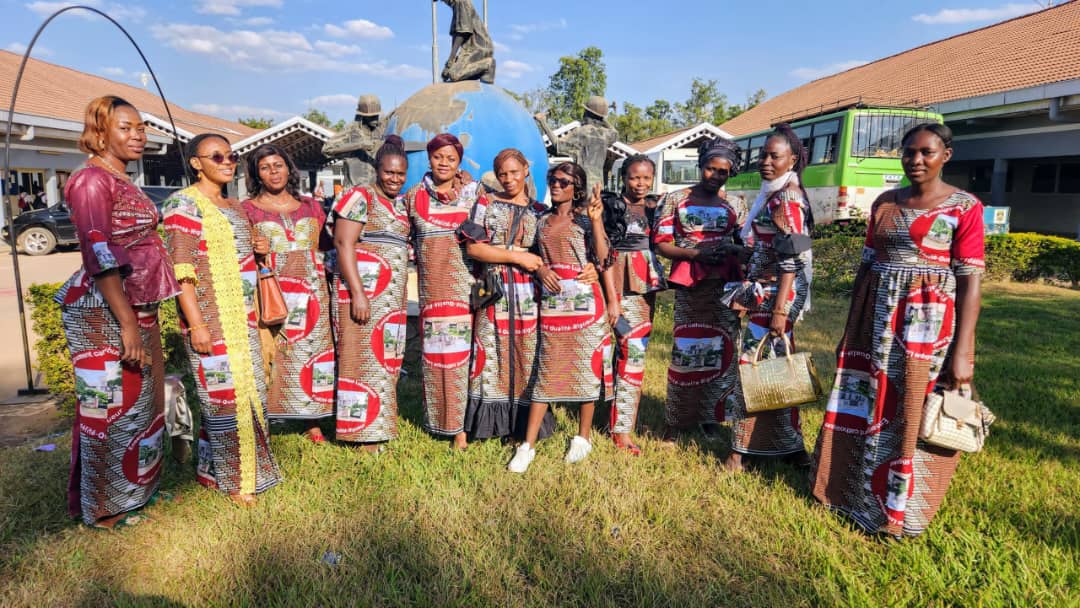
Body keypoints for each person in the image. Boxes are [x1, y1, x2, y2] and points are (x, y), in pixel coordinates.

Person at [811, 123, 985, 537]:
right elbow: (868, 264)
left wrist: (964, 350)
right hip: (875, 317)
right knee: (869, 400)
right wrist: (851, 328)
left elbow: (971, 279)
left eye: (927, 152)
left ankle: (898, 511)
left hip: (925, 327)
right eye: (909, 152)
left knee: (910, 407)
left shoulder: (964, 207)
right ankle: (849, 494)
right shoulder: (885, 202)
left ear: (946, 155)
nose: (916, 160)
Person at [57, 95, 180, 528]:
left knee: (140, 406)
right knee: (107, 411)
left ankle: (135, 491)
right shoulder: (91, 181)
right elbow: (99, 251)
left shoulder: (119, 177)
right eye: (125, 128)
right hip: (107, 313)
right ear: (100, 131)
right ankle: (103, 507)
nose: (137, 135)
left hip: (136, 308)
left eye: (140, 128)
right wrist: (127, 323)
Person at [164, 133, 281, 506]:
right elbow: (181, 271)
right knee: (222, 401)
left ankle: (217, 471)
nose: (227, 162)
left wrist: (259, 249)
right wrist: (196, 324)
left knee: (253, 396)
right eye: (217, 156)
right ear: (196, 163)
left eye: (232, 156)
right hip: (210, 323)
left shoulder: (235, 206)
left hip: (244, 321)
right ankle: (238, 481)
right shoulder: (183, 204)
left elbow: (246, 259)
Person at [508, 162, 614, 473]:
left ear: (576, 187)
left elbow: (604, 256)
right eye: (552, 180)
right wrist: (540, 270)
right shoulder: (540, 221)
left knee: (586, 368)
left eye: (564, 181)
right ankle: (527, 445)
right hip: (553, 306)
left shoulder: (585, 219)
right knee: (546, 372)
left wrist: (596, 221)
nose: (556, 185)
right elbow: (528, 254)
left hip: (585, 306)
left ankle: (583, 437)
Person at [723, 125, 815, 471]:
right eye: (762, 154)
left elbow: (792, 257)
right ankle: (791, 447)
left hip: (777, 294)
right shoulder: (775, 193)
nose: (765, 161)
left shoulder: (786, 198)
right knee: (776, 371)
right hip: (770, 290)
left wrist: (780, 311)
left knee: (752, 368)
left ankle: (739, 452)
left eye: (774, 156)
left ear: (792, 159)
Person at [457, 148, 557, 441]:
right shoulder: (485, 204)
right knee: (490, 353)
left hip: (529, 293)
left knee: (526, 355)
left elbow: (549, 252)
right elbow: (474, 248)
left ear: (526, 169)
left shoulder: (540, 211)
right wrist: (517, 258)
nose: (509, 179)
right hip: (494, 289)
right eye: (502, 174)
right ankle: (489, 425)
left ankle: (523, 425)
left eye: (514, 172)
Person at [652, 137, 747, 442]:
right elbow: (662, 244)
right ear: (700, 165)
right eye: (710, 169)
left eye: (722, 172)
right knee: (687, 351)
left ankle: (713, 418)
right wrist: (698, 254)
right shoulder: (675, 199)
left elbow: (745, 243)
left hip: (726, 285)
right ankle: (677, 419)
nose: (715, 176)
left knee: (724, 351)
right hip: (691, 284)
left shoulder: (735, 204)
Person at [241, 144, 334, 441]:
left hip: (313, 289)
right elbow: (239, 254)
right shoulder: (247, 210)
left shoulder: (311, 206)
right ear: (257, 174)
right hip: (273, 291)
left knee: (313, 353)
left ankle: (313, 420)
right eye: (265, 167)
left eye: (278, 165)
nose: (273, 172)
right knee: (276, 352)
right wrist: (256, 252)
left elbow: (328, 246)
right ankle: (271, 416)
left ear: (288, 168)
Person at [402, 133, 486, 450]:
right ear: (429, 158)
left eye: (451, 158)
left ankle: (465, 426)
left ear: (459, 162)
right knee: (439, 360)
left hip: (468, 289)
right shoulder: (413, 198)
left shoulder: (474, 193)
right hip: (433, 291)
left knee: (467, 360)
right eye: (439, 157)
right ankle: (444, 423)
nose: (444, 163)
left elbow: (494, 223)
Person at [331, 140, 411, 450]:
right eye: (389, 172)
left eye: (401, 174)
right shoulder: (359, 196)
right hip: (364, 295)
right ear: (376, 170)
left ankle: (381, 426)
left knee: (386, 360)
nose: (395, 179)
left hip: (391, 301)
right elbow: (343, 244)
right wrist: (358, 294)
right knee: (360, 361)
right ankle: (361, 434)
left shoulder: (399, 203)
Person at [600, 154, 664, 455]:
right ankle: (602, 416)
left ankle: (622, 428)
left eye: (646, 178)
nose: (640, 183)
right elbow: (605, 253)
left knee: (634, 354)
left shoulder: (655, 207)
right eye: (634, 177)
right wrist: (612, 299)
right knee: (605, 352)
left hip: (642, 287)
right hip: (611, 284)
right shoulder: (612, 206)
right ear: (623, 178)